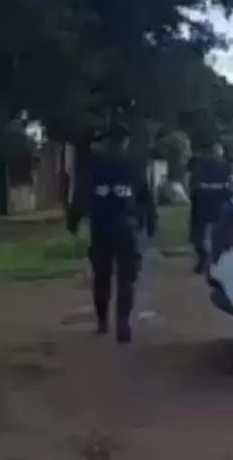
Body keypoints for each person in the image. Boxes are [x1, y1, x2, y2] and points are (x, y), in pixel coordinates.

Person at [67, 121, 156, 343]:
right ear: (126, 142)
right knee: (127, 277)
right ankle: (123, 322)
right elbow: (145, 196)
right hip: (127, 227)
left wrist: (74, 219)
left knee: (102, 275)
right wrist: (151, 222)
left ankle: (102, 321)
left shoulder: (94, 162)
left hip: (102, 226)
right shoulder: (134, 163)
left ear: (106, 140)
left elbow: (82, 192)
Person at [186, 143, 233, 274]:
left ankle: (202, 257)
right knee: (220, 230)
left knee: (198, 230)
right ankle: (217, 258)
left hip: (202, 197)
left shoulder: (200, 162)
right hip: (219, 198)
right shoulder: (226, 164)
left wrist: (192, 194)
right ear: (221, 152)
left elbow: (192, 180)